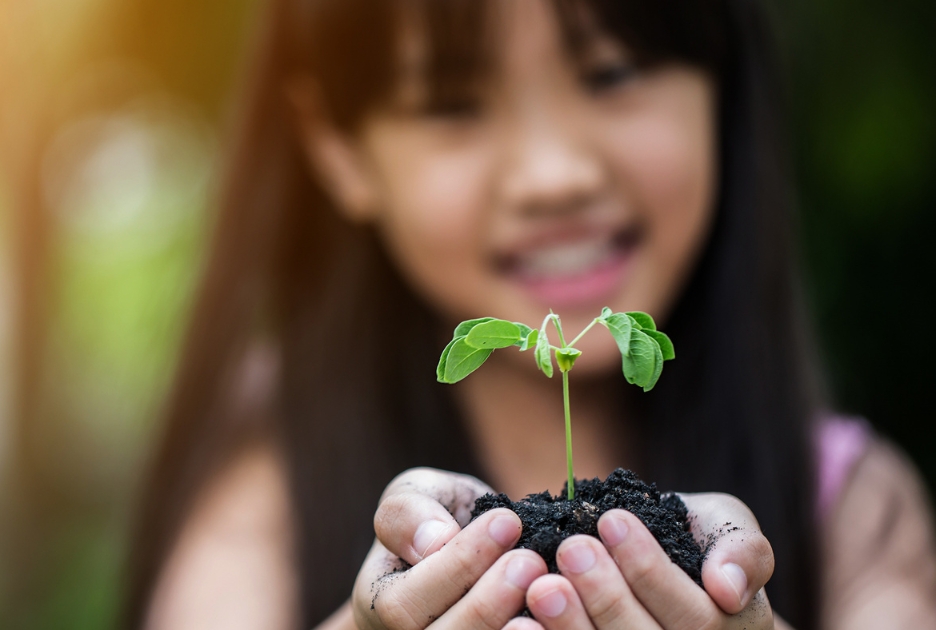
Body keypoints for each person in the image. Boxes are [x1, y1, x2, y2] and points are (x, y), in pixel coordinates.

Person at [121, 0, 936, 628]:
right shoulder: (262, 490)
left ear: (723, 90)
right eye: (451, 104)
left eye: (613, 72)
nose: (553, 176)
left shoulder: (858, 513)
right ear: (338, 148)